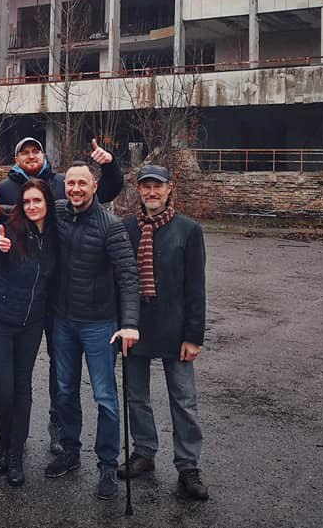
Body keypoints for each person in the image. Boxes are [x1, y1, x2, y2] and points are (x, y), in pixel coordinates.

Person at [0, 136, 124, 457]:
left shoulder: (64, 184)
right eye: (25, 152)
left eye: (36, 151)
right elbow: (15, 212)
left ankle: (64, 433)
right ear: (16, 158)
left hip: (78, 306)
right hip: (37, 303)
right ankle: (33, 444)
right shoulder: (5, 188)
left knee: (77, 381)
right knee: (57, 379)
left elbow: (104, 192)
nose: (31, 156)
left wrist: (110, 165)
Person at [44, 161, 140, 501]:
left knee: (105, 398)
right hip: (63, 321)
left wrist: (128, 324)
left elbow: (128, 276)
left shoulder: (111, 227)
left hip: (100, 324)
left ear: (94, 186)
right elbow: (29, 206)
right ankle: (70, 450)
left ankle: (107, 466)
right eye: (70, 183)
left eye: (82, 183)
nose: (75, 189)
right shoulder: (57, 213)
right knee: (65, 391)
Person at [118, 165, 209, 501]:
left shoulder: (188, 230)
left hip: (175, 328)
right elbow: (120, 280)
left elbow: (196, 288)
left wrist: (194, 336)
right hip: (135, 326)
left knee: (183, 401)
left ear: (170, 189)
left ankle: (188, 466)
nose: (151, 193)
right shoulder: (127, 228)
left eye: (157, 187)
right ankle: (144, 452)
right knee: (136, 396)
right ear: (138, 191)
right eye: (145, 187)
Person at [0, 179, 58, 487]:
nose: (32, 207)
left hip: (31, 323)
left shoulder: (55, 237)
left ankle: (15, 454)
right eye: (26, 202)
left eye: (37, 201)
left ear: (47, 203)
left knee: (23, 388)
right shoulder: (10, 230)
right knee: (4, 388)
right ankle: (3, 444)